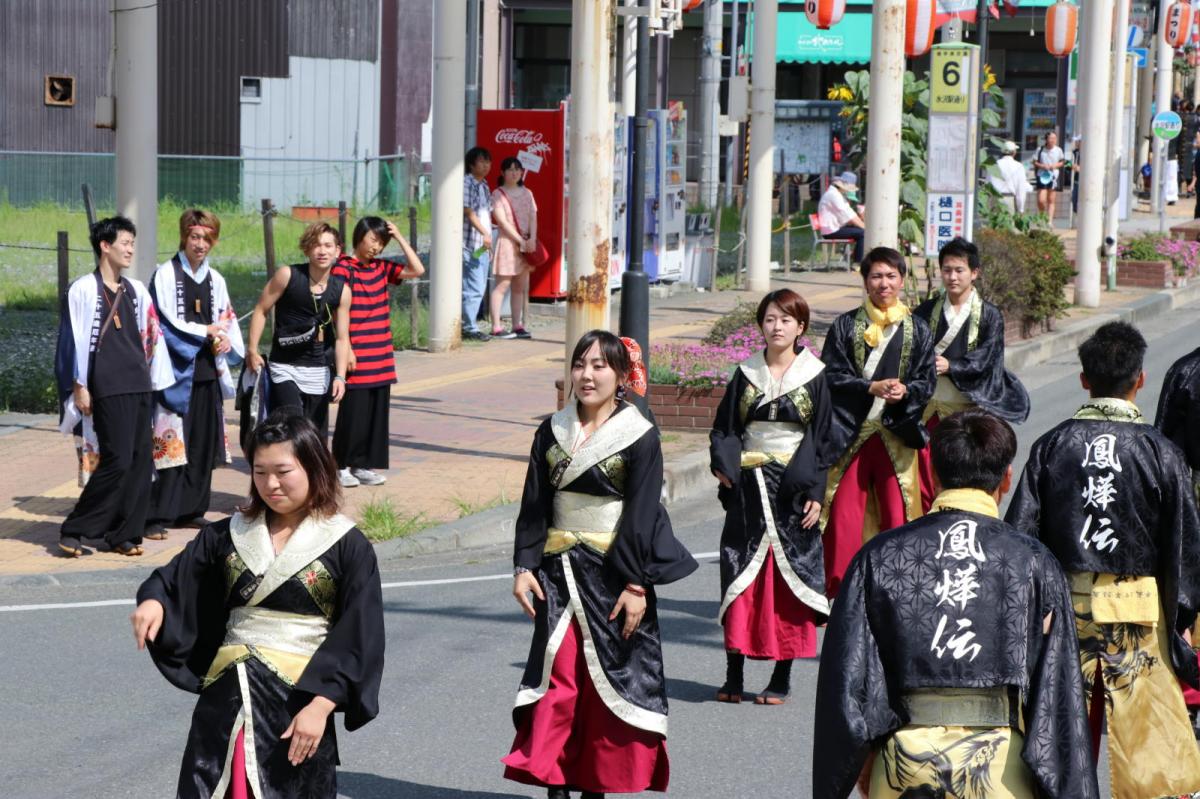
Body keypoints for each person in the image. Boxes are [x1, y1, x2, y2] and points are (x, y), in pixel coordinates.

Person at [813, 409, 1099, 799]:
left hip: (903, 761)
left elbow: (847, 674)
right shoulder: (1032, 560)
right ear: (1006, 479)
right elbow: (1057, 685)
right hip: (999, 766)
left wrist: (856, 763)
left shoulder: (881, 556)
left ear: (932, 474)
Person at [131, 410, 385, 799]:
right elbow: (174, 578)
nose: (271, 484)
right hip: (226, 696)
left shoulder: (346, 545)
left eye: (283, 471)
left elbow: (359, 637)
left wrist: (321, 706)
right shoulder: (228, 534)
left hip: (297, 703)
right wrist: (154, 602)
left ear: (314, 467)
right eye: (260, 471)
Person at [1005, 321, 1200, 797]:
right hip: (1139, 611)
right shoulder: (1162, 453)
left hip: (1064, 613)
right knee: (1146, 745)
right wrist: (1184, 617)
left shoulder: (1051, 445)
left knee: (1067, 731)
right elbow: (1184, 547)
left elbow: (1021, 539)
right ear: (1140, 380)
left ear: (1084, 379)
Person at [503, 330, 697, 799]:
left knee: (606, 682)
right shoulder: (552, 430)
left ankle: (595, 784)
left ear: (621, 376)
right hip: (557, 569)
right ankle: (555, 782)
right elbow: (535, 502)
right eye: (580, 364)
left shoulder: (639, 434)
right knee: (559, 676)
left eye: (599, 366)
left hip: (613, 574)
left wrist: (635, 585)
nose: (587, 376)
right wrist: (524, 566)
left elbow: (642, 512)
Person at [709, 289, 831, 705]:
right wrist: (725, 466)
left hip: (793, 490)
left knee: (787, 585)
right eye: (770, 319)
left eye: (786, 320)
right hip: (749, 486)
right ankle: (734, 673)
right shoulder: (744, 374)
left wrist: (817, 490)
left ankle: (781, 676)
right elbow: (725, 428)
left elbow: (823, 438)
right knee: (740, 578)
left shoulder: (815, 375)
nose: (777, 327)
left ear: (801, 327)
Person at [819, 247, 936, 597]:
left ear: (901, 279)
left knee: (899, 512)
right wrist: (869, 386)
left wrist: (906, 391)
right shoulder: (844, 325)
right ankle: (837, 591)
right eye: (876, 276)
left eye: (890, 276)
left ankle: (898, 588)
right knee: (842, 516)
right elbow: (830, 376)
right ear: (865, 280)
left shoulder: (918, 329)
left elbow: (926, 380)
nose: (883, 283)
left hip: (895, 433)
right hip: (851, 432)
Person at [54, 216, 173, 557]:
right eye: (125, 242)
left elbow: (151, 337)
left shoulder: (135, 289)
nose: (130, 249)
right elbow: (73, 342)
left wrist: (159, 381)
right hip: (106, 384)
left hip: (138, 382)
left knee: (139, 461)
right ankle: (76, 527)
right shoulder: (83, 289)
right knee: (117, 460)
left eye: (132, 243)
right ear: (105, 246)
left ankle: (125, 534)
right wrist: (79, 386)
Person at [145, 209, 246, 540]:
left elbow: (227, 318)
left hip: (207, 371)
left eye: (207, 238)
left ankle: (191, 508)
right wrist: (205, 331)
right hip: (174, 372)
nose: (201, 244)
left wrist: (224, 338)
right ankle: (157, 514)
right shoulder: (165, 274)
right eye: (195, 237)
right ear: (184, 237)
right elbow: (165, 323)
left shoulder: (216, 279)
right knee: (169, 443)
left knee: (202, 442)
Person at [914, 237, 1029, 504]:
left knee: (964, 475)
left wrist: (951, 365)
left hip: (967, 413)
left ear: (974, 273)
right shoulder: (925, 310)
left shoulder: (989, 315)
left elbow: (989, 358)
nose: (952, 277)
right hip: (928, 410)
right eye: (946, 270)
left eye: (959, 270)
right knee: (926, 476)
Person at [330, 216, 424, 488]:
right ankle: (340, 465)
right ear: (359, 236)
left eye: (381, 243)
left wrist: (400, 238)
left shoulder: (381, 268)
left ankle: (362, 465)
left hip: (381, 353)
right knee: (353, 413)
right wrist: (345, 348)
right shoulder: (343, 269)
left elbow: (417, 269)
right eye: (373, 240)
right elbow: (338, 312)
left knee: (375, 414)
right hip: (357, 351)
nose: (376, 247)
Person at [246, 223, 351, 440]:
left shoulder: (342, 291)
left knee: (315, 435)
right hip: (284, 365)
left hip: (319, 368)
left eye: (328, 245)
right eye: (315, 245)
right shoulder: (288, 275)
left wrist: (340, 376)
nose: (322, 251)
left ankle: (310, 474)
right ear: (306, 249)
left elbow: (342, 338)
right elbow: (261, 309)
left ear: (337, 251)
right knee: (290, 426)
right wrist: (252, 350)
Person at [490, 156, 537, 340]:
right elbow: (501, 220)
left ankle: (517, 325)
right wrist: (521, 240)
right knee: (502, 284)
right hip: (508, 243)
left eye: (517, 169)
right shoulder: (497, 194)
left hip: (525, 243)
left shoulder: (528, 193)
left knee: (519, 286)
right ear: (502, 173)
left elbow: (534, 216)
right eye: (510, 169)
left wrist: (532, 238)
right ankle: (496, 326)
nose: (514, 172)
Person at [463, 146, 494, 341]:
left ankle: (470, 324)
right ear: (471, 164)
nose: (485, 165)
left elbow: (487, 213)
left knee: (479, 285)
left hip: (484, 244)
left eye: (488, 162)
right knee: (473, 285)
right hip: (471, 243)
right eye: (481, 161)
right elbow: (467, 211)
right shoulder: (467, 183)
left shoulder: (484, 185)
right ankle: (469, 327)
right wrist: (484, 232)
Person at [816, 171, 866, 263]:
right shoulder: (834, 195)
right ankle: (858, 262)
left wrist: (863, 225)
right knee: (863, 234)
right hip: (831, 231)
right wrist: (865, 227)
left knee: (861, 231)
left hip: (834, 228)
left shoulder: (836, 194)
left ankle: (856, 257)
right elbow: (849, 216)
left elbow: (851, 214)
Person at [989, 140, 1031, 215]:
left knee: (995, 225)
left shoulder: (994, 164)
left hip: (995, 199)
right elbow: (1021, 188)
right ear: (1014, 152)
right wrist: (1021, 208)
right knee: (1008, 224)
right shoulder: (1018, 166)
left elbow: (988, 184)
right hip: (1009, 199)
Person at [1033, 131, 1065, 220]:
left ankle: (1049, 221)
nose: (1053, 140)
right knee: (1041, 200)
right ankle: (1042, 216)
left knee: (1051, 199)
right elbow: (1034, 162)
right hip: (1042, 175)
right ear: (1046, 139)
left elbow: (1062, 162)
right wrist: (1043, 166)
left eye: (1055, 138)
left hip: (1053, 176)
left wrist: (1054, 166)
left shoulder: (1058, 150)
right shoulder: (1040, 149)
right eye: (1051, 138)